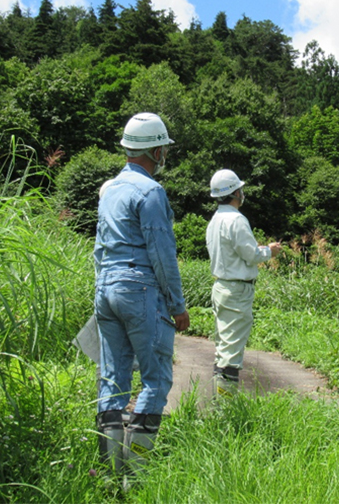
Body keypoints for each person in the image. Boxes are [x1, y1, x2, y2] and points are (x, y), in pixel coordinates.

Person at [94, 112, 190, 479]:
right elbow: (162, 254)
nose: (165, 153)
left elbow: (100, 248)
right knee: (156, 379)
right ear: (154, 150)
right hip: (141, 289)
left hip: (106, 288)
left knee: (113, 379)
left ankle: (108, 475)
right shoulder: (150, 192)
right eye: (163, 147)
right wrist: (177, 306)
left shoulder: (110, 189)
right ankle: (134, 477)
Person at [205, 169, 282, 396]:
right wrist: (270, 251)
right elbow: (251, 255)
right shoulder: (236, 220)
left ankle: (220, 400)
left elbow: (235, 252)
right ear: (235, 192)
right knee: (231, 351)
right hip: (237, 289)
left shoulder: (215, 221)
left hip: (221, 286)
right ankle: (225, 409)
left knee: (223, 346)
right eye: (240, 189)